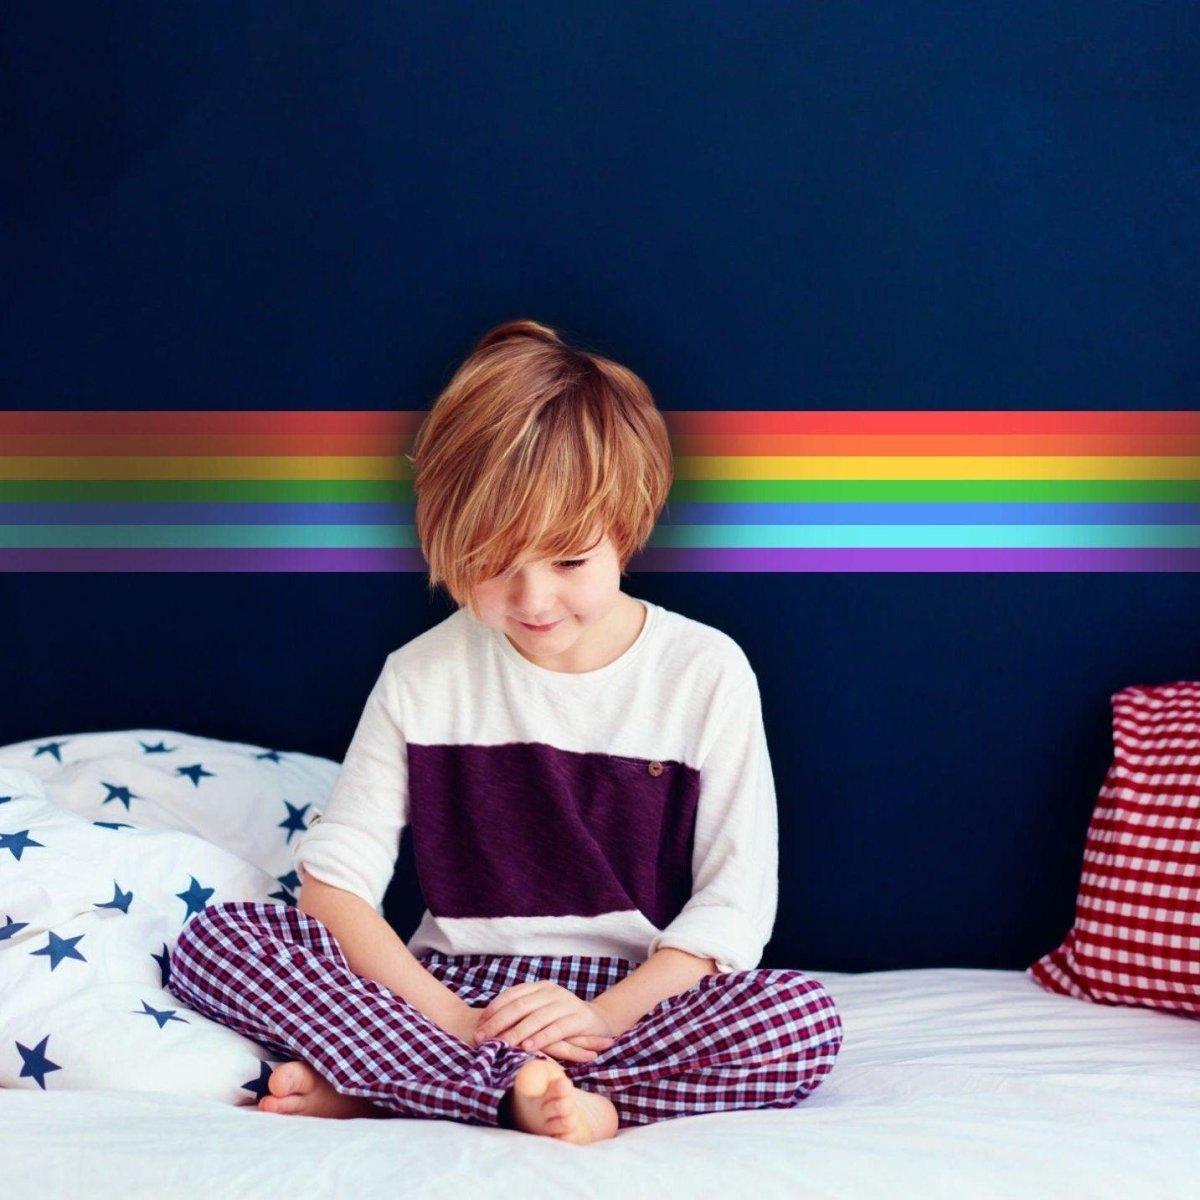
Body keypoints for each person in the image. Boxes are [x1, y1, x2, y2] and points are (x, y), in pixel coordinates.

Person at [166, 319, 843, 1144]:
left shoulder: (706, 671)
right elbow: (335, 886)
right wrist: (459, 1022)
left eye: (568, 561)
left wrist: (595, 1017)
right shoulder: (420, 675)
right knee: (219, 942)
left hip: (630, 996)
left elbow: (732, 910)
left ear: (625, 530)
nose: (532, 601)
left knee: (801, 1019)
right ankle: (504, 1089)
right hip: (451, 992)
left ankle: (397, 1088)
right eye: (493, 562)